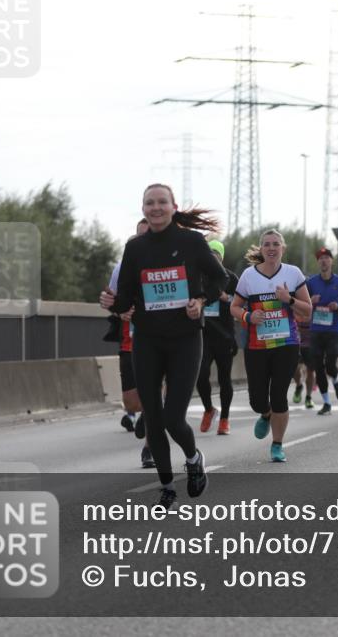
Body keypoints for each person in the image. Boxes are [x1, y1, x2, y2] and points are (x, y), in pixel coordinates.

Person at [100, 183, 228, 508]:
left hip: (185, 340)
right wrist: (112, 303)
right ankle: (167, 486)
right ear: (143, 209)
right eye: (149, 203)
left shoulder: (191, 241)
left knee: (173, 417)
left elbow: (220, 279)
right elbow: (126, 299)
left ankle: (193, 458)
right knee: (153, 419)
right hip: (147, 341)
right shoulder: (135, 248)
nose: (155, 208)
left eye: (161, 202)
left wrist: (201, 300)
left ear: (173, 207)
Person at [230, 229, 312, 463]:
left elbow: (308, 310)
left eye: (276, 244)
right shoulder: (249, 276)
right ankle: (265, 414)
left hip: (286, 344)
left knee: (278, 396)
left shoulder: (293, 273)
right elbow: (234, 307)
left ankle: (277, 445)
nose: (271, 248)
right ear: (261, 249)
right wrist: (248, 316)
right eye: (266, 244)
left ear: (282, 248)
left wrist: (289, 299)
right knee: (257, 400)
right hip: (256, 346)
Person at [107, 218, 154, 467]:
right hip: (130, 340)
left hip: (160, 338)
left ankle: (150, 449)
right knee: (132, 402)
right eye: (140, 235)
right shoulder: (122, 267)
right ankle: (145, 413)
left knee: (154, 393)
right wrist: (119, 311)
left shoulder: (168, 262)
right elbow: (112, 300)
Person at [197, 240, 239, 435]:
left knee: (224, 379)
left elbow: (242, 303)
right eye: (210, 253)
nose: (213, 257)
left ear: (221, 257)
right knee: (200, 374)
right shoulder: (198, 275)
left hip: (224, 336)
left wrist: (226, 298)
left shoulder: (231, 278)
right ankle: (208, 409)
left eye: (216, 254)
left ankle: (225, 419)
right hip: (202, 335)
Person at [306, 248, 338, 415]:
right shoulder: (311, 283)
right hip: (316, 330)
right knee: (318, 368)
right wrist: (310, 300)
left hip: (333, 330)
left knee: (330, 365)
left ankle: (336, 380)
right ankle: (327, 402)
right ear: (318, 262)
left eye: (326, 258)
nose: (323, 261)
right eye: (320, 258)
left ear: (331, 261)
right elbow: (302, 302)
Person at [291, 317, 316, 409]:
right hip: (296, 343)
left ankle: (308, 397)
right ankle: (299, 386)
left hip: (311, 344)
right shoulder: (294, 309)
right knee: (294, 368)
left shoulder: (314, 309)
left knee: (310, 370)